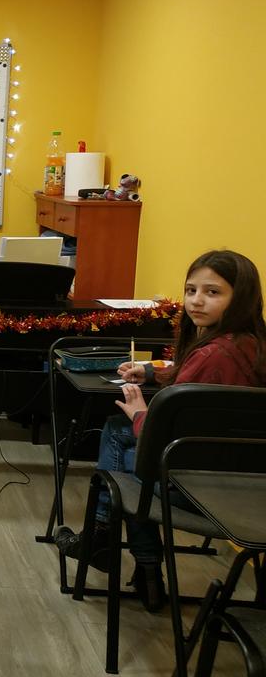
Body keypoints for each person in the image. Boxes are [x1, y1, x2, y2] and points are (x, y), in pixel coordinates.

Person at [56, 250, 266, 611]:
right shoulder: (251, 344)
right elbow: (204, 385)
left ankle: (113, 542)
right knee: (129, 455)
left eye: (213, 292)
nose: (196, 300)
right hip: (249, 490)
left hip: (194, 490)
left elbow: (171, 442)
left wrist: (141, 414)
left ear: (241, 297)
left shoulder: (212, 354)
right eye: (191, 290)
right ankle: (140, 568)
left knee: (120, 438)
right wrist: (154, 372)